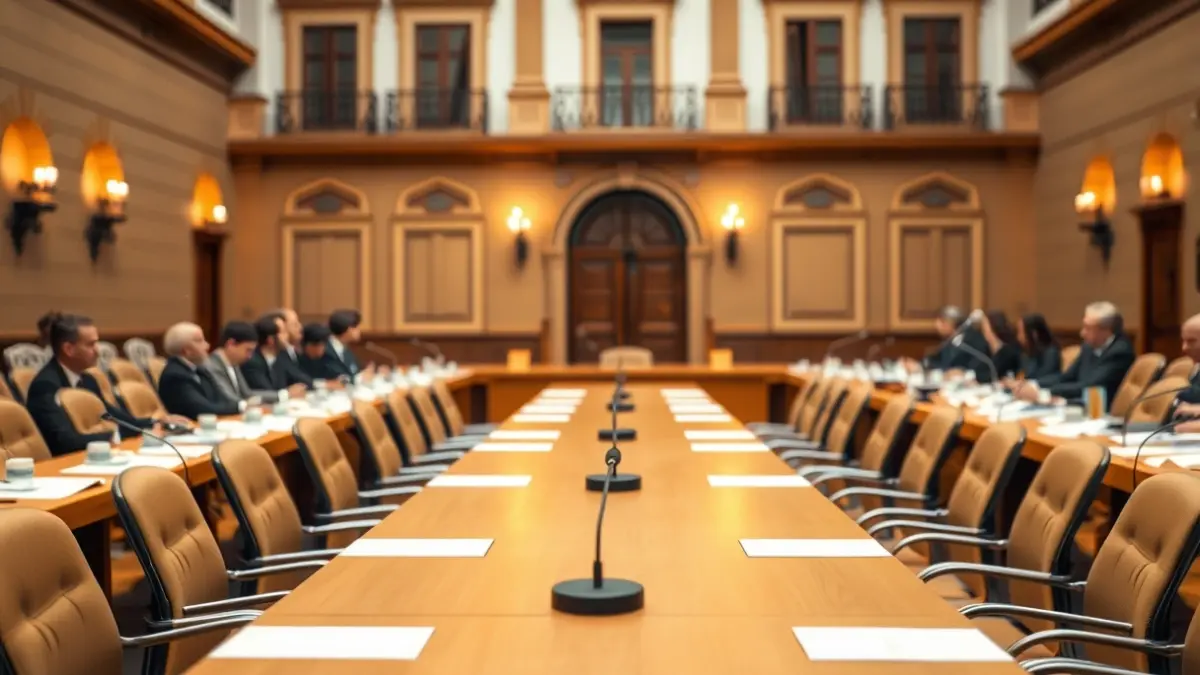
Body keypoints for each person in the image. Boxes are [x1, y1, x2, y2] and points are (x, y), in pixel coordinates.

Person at [26, 313, 184, 456]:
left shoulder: (88, 380)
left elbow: (112, 416)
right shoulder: (46, 386)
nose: (97, 351)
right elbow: (63, 441)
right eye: (91, 344)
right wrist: (114, 435)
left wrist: (154, 423)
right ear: (69, 349)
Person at [1017, 301, 1134, 410]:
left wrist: (1043, 393)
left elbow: (1090, 386)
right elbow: (1067, 377)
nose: (1082, 333)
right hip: (1078, 406)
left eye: (1088, 328)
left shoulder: (1120, 352)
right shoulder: (1088, 347)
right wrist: (1033, 384)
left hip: (1102, 414)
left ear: (1106, 331)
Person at [157, 323, 244, 419]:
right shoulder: (175, 375)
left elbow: (220, 398)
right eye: (200, 341)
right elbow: (203, 409)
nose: (207, 345)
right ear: (186, 350)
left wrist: (241, 405)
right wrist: (241, 407)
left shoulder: (199, 369)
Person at [203, 321, 303, 404]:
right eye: (248, 350)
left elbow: (247, 393)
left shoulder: (233, 363)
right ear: (231, 344)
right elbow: (229, 398)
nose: (250, 356)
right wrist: (252, 405)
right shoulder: (212, 365)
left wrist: (283, 395)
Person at [241, 314, 312, 391]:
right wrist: (287, 393)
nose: (287, 336)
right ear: (270, 340)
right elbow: (266, 391)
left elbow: (304, 380)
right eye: (283, 332)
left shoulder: (280, 358)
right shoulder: (252, 362)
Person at [918, 305, 990, 373]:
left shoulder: (973, 340)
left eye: (942, 322)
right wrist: (920, 366)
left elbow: (976, 367)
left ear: (953, 323)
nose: (937, 326)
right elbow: (936, 361)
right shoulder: (949, 341)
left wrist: (962, 372)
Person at [974, 310, 1022, 384]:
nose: (982, 328)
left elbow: (993, 376)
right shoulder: (986, 348)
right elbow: (978, 372)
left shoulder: (1009, 351)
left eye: (985, 325)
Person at [1016, 313, 1061, 380]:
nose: (1018, 337)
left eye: (1020, 332)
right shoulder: (1026, 353)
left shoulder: (1051, 353)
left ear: (1034, 334)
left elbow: (1041, 377)